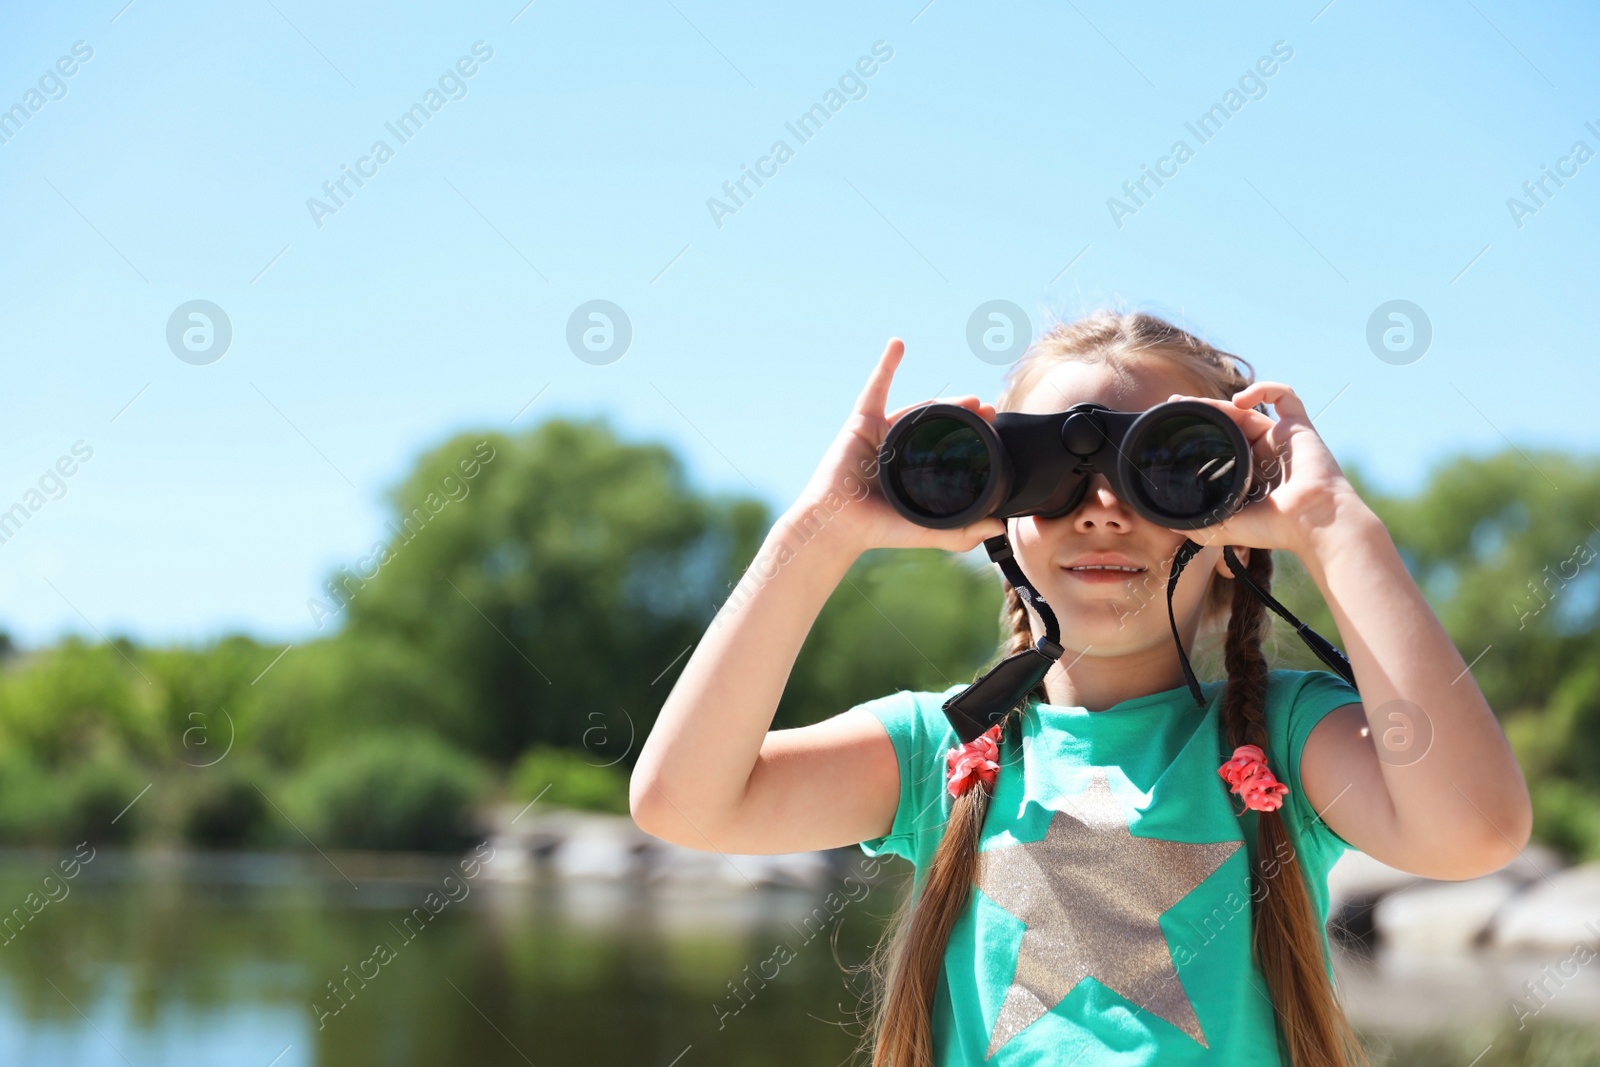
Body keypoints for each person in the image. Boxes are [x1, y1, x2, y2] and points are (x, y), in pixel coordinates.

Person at [630, 309, 1533, 1066]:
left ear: (1235, 530)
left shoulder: (1286, 740)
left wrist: (1339, 530)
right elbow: (683, 801)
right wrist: (818, 531)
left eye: (1166, 472)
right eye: (1052, 476)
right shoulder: (943, 749)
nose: (1101, 507)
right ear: (997, 515)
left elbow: (1474, 829)